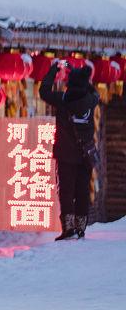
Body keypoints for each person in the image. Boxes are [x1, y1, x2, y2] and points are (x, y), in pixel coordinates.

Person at [40, 60, 100, 240]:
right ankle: (81, 228)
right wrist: (78, 74)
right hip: (85, 154)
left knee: (66, 191)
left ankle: (68, 228)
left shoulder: (62, 99)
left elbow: (43, 91)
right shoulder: (91, 100)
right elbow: (92, 90)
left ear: (69, 83)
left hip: (66, 155)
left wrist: (54, 69)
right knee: (82, 191)